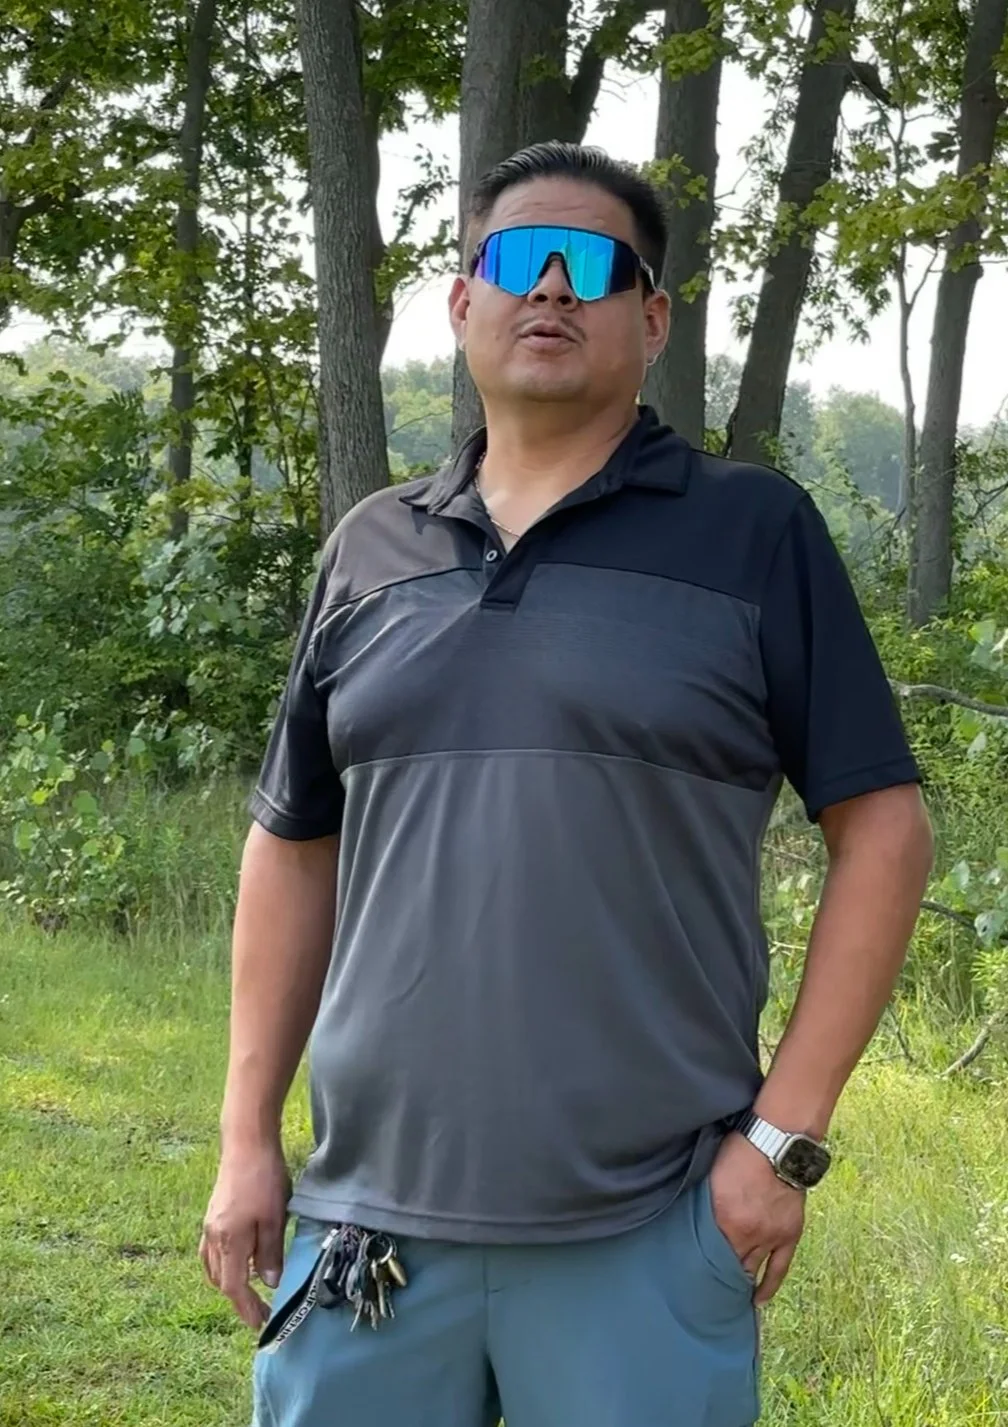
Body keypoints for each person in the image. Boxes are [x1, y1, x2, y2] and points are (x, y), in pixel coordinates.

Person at [200, 141, 934, 1427]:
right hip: (365, 1222)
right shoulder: (370, 550)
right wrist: (246, 1135)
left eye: (593, 263)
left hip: (645, 1228)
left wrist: (780, 1142)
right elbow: (292, 843)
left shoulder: (753, 533)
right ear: (462, 303)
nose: (551, 285)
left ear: (649, 319)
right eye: (514, 258)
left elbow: (886, 832)